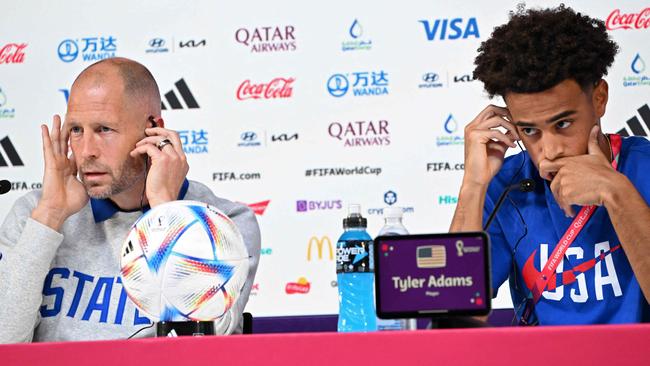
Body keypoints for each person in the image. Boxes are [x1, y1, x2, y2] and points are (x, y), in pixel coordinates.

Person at [0, 58, 261, 342]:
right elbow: (5, 340)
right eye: (76, 130)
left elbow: (203, 342)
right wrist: (49, 216)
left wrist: (166, 209)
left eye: (104, 130)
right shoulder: (36, 215)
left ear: (152, 129)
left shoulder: (225, 221)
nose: (86, 151)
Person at [450, 5, 650, 324]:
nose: (551, 150)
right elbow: (456, 314)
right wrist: (473, 185)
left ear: (599, 98)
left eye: (564, 124)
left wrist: (617, 193)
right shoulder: (506, 186)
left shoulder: (643, 166)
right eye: (530, 130)